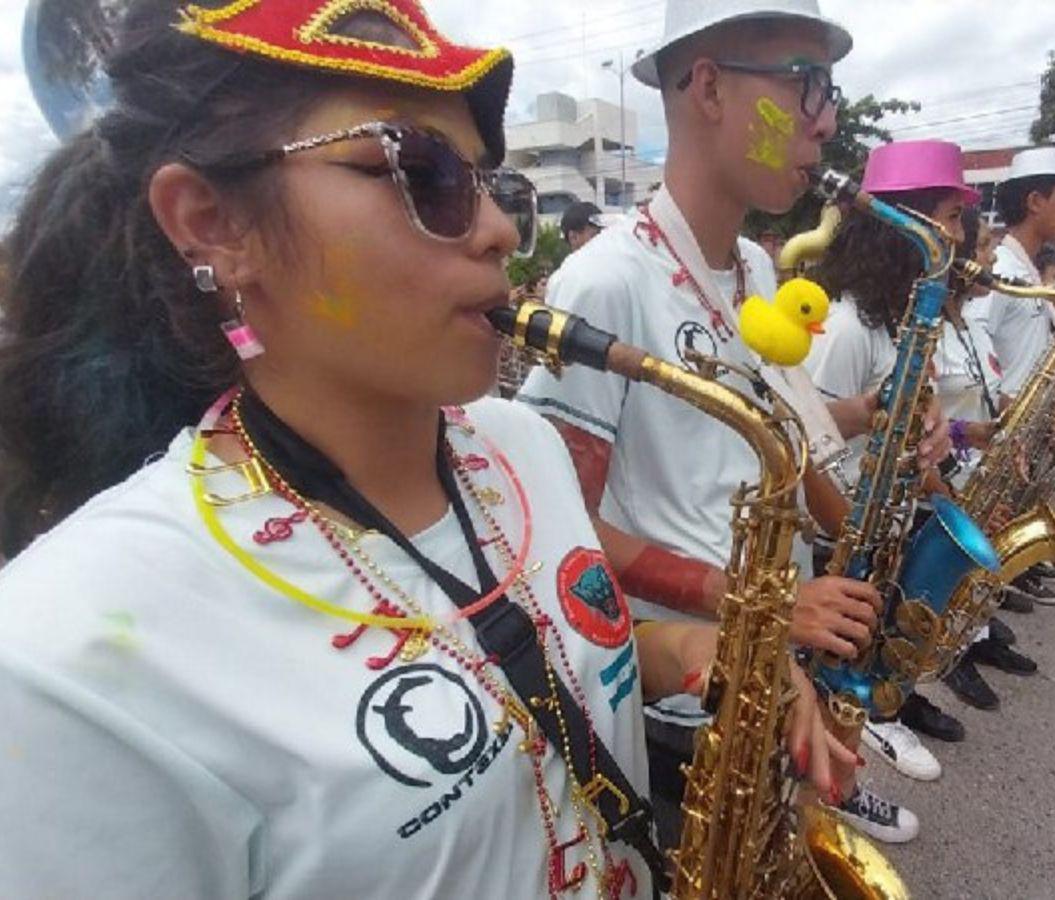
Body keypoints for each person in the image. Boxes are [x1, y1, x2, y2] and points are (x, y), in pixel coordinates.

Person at [0, 2, 852, 895]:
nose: (501, 233)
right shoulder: (69, 661)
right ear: (213, 223)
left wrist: (689, 652)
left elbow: (539, 647)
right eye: (423, 175)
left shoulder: (523, 446)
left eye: (493, 184)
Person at [519, 0, 949, 846]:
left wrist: (875, 422)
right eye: (807, 87)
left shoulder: (755, 266)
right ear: (709, 88)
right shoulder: (605, 283)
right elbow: (561, 525)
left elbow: (763, 431)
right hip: (685, 706)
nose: (825, 124)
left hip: (778, 664)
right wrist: (758, 602)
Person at [804, 138, 976, 773]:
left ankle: (871, 720)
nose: (960, 235)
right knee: (830, 680)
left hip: (875, 526)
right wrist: (854, 536)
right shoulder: (846, 327)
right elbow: (807, 445)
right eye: (952, 217)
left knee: (863, 668)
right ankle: (850, 744)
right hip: (842, 535)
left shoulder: (898, 319)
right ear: (909, 226)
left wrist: (929, 440)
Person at [935, 208, 1039, 711]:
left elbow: (987, 396)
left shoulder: (972, 327)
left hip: (975, 473)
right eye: (980, 246)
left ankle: (971, 638)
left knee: (970, 581)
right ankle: (943, 664)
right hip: (943, 479)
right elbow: (917, 421)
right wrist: (967, 434)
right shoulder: (932, 324)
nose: (992, 256)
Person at [970, 145, 1055, 575]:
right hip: (1000, 424)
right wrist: (1004, 404)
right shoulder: (1001, 266)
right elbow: (977, 331)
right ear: (1035, 202)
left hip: (1021, 421)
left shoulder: (1026, 268)